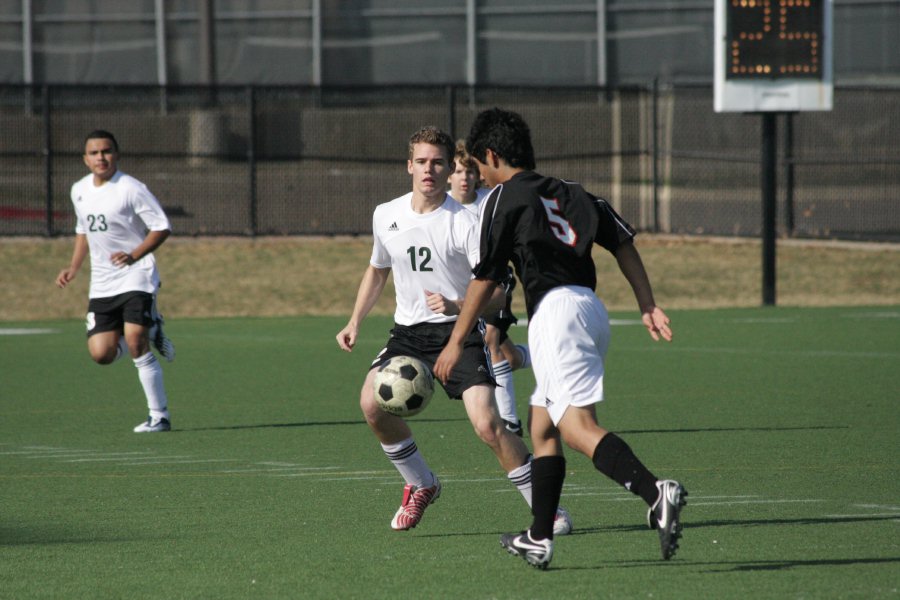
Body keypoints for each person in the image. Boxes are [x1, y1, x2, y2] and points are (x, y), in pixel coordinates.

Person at [434, 108, 687, 569]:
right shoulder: (574, 192)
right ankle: (539, 535)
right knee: (542, 425)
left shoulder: (502, 197)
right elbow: (623, 242)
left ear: (491, 155)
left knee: (575, 428)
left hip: (555, 315)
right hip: (589, 309)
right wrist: (647, 304)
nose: (479, 176)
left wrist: (454, 341)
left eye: (479, 166)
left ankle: (657, 493)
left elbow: (486, 277)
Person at [335, 126, 571, 534]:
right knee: (371, 405)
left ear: (450, 170)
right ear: (409, 165)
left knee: (487, 425)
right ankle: (420, 484)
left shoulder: (469, 221)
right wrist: (355, 320)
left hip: (459, 333)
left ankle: (546, 509)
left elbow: (498, 290)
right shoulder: (386, 214)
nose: (429, 170)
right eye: (422, 162)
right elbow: (377, 270)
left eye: (438, 163)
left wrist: (460, 306)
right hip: (408, 336)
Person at [56, 130, 176, 433]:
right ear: (85, 159)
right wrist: (73, 267)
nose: (101, 157)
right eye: (94, 153)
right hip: (103, 283)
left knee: (135, 342)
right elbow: (83, 230)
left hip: (137, 274)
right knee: (101, 354)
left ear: (116, 154)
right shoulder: (79, 190)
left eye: (106, 151)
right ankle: (153, 326)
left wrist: (135, 255)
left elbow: (161, 226)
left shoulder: (131, 188)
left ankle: (158, 416)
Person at [448, 140, 529, 435]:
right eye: (458, 171)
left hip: (496, 280)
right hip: (465, 285)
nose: (465, 177)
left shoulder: (491, 199)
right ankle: (537, 356)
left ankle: (510, 422)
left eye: (470, 171)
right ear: (448, 175)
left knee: (491, 341)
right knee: (507, 357)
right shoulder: (443, 206)